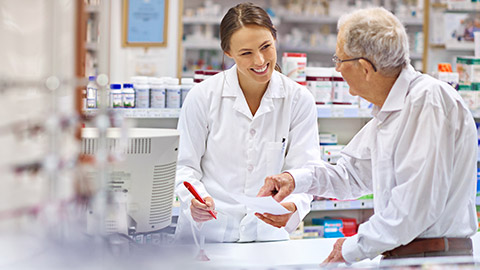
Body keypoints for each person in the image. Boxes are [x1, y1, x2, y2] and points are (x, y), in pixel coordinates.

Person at [258, 7, 478, 263]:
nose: (337, 69)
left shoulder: (427, 102)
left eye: (339, 60)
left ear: (364, 67)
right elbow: (350, 176)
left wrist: (351, 248)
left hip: (433, 260)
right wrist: (294, 179)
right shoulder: (391, 111)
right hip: (407, 257)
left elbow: (413, 210)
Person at [174, 2, 320, 243]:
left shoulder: (298, 99)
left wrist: (293, 206)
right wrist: (195, 201)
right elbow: (184, 166)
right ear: (229, 53)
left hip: (267, 237)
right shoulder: (203, 96)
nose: (260, 60)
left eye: (266, 47)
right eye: (246, 53)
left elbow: (306, 171)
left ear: (275, 39)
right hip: (208, 236)